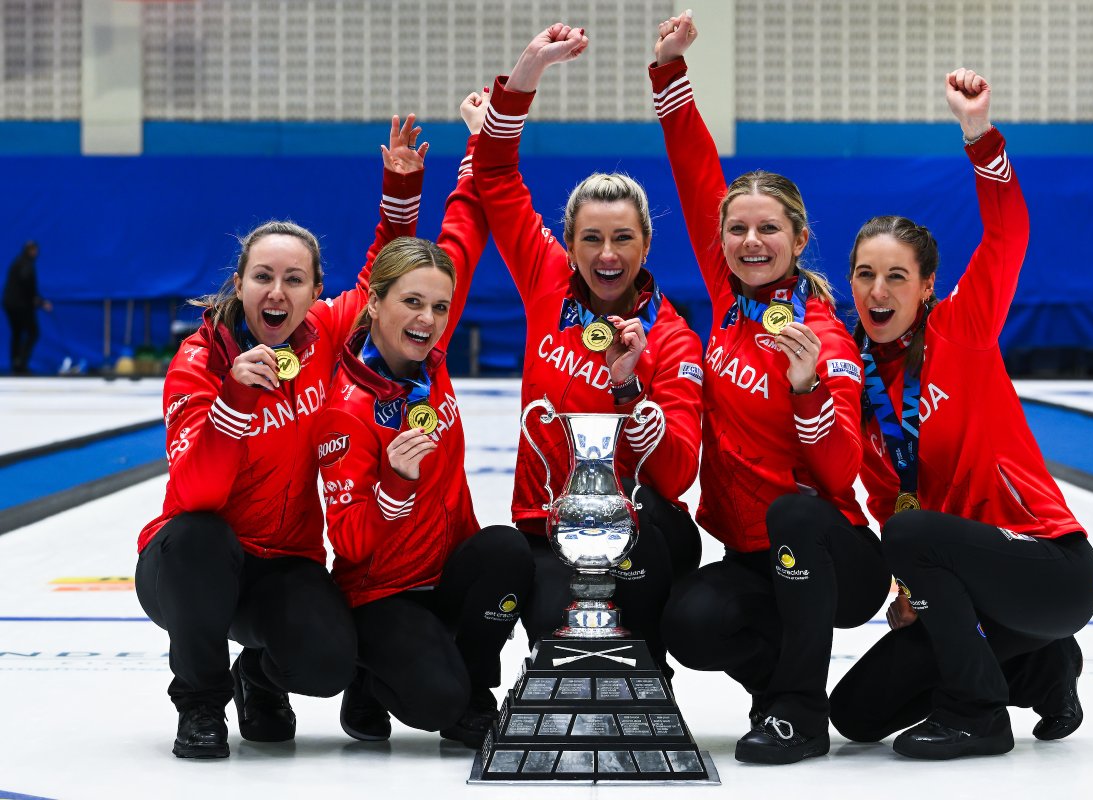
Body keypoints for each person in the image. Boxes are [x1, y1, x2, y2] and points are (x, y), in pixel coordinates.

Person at [134, 115, 429, 759]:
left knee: (327, 665)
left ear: (316, 291)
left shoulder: (326, 334)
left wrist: (401, 189)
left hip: (283, 560)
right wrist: (233, 400)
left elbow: (383, 276)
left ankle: (258, 676)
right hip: (188, 565)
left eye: (294, 280)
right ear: (239, 283)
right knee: (200, 537)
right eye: (262, 276)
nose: (277, 291)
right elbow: (198, 495)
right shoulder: (199, 363)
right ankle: (201, 704)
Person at [827, 69, 1093, 760]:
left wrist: (978, 134)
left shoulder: (962, 329)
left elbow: (1007, 234)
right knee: (857, 712)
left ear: (926, 287)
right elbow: (894, 502)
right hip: (972, 589)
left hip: (1048, 568)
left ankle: (977, 715)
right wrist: (910, 588)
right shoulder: (856, 385)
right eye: (865, 274)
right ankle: (1043, 667)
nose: (878, 290)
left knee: (912, 533)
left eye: (897, 276)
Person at [649, 11, 890, 765]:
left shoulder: (823, 336)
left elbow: (840, 474)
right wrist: (670, 72)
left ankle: (799, 713)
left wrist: (809, 387)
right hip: (752, 553)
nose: (751, 241)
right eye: (738, 230)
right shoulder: (728, 299)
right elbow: (696, 175)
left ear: (800, 239)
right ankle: (782, 687)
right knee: (689, 625)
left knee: (794, 510)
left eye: (769, 230)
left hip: (836, 555)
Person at [471, 24, 705, 681]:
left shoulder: (673, 339)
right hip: (545, 532)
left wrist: (631, 389)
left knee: (650, 539)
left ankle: (648, 665)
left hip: (639, 538)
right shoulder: (546, 281)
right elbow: (495, 174)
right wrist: (528, 69)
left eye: (623, 238)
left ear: (646, 245)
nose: (607, 255)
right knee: (561, 646)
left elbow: (676, 477)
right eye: (592, 239)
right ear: (568, 244)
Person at [315, 93, 533, 750]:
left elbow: (462, 233)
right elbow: (350, 543)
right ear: (373, 303)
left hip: (446, 573)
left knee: (508, 552)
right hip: (379, 592)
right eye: (412, 303)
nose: (429, 318)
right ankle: (368, 671)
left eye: (439, 308)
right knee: (435, 700)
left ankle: (474, 685)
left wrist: (479, 148)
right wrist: (395, 482)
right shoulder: (346, 409)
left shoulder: (429, 358)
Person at [3, 241, 52, 374]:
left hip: (10, 303)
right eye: (32, 250)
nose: (34, 253)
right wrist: (40, 302)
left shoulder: (18, 262)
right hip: (21, 305)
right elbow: (27, 286)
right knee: (32, 332)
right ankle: (21, 363)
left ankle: (16, 363)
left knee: (17, 333)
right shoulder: (26, 265)